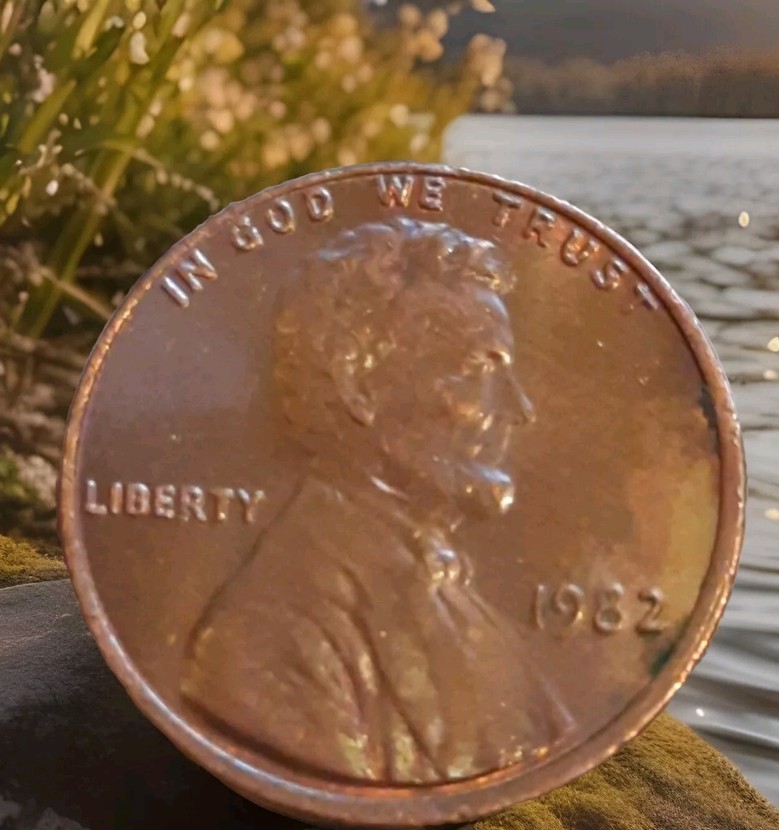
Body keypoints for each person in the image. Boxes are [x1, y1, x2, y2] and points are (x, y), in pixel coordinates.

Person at [181, 217, 575, 784]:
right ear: (356, 385)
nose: (519, 409)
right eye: (480, 367)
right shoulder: (271, 638)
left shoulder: (451, 594)